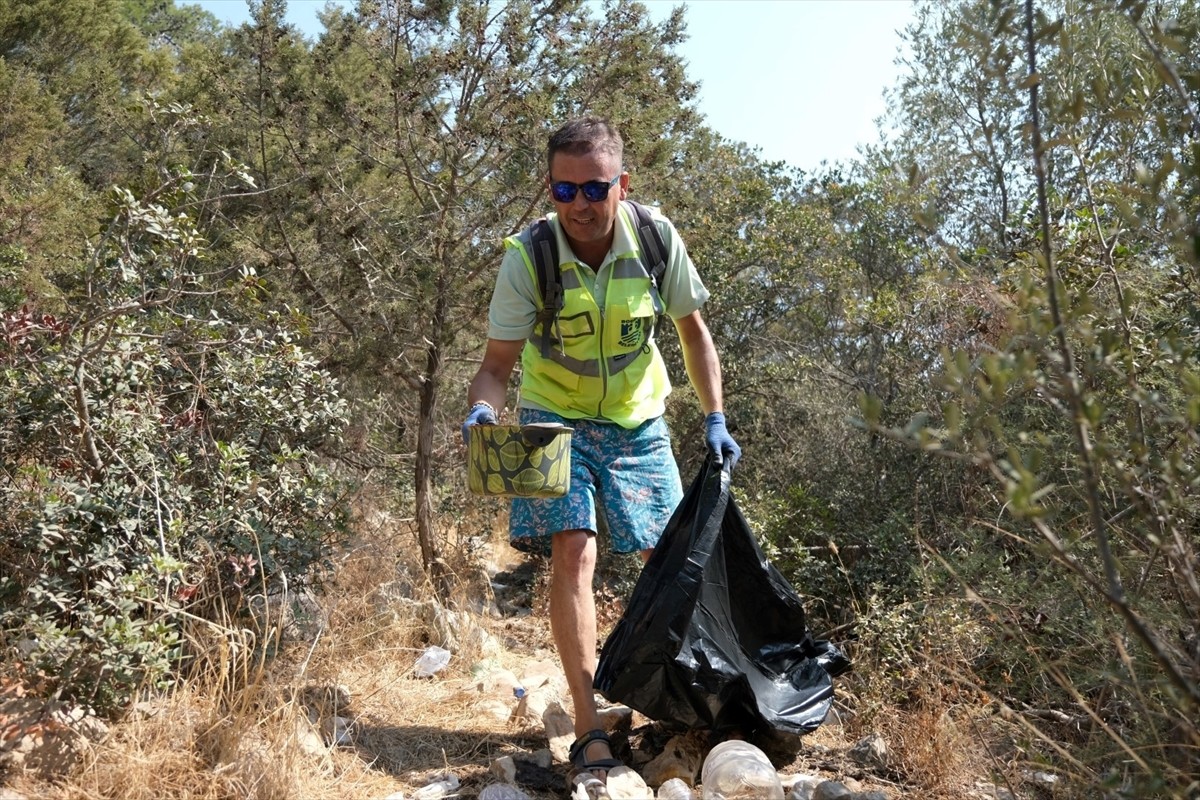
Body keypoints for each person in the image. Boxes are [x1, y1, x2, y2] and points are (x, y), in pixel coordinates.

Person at [462, 116, 740, 783]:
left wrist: (715, 415)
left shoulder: (654, 240)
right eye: (563, 191)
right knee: (574, 552)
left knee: (671, 562)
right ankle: (588, 727)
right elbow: (497, 364)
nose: (579, 205)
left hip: (638, 419)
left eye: (593, 189)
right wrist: (481, 410)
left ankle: (688, 707)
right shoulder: (528, 256)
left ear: (622, 184)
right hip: (554, 420)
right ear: (550, 189)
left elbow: (693, 334)